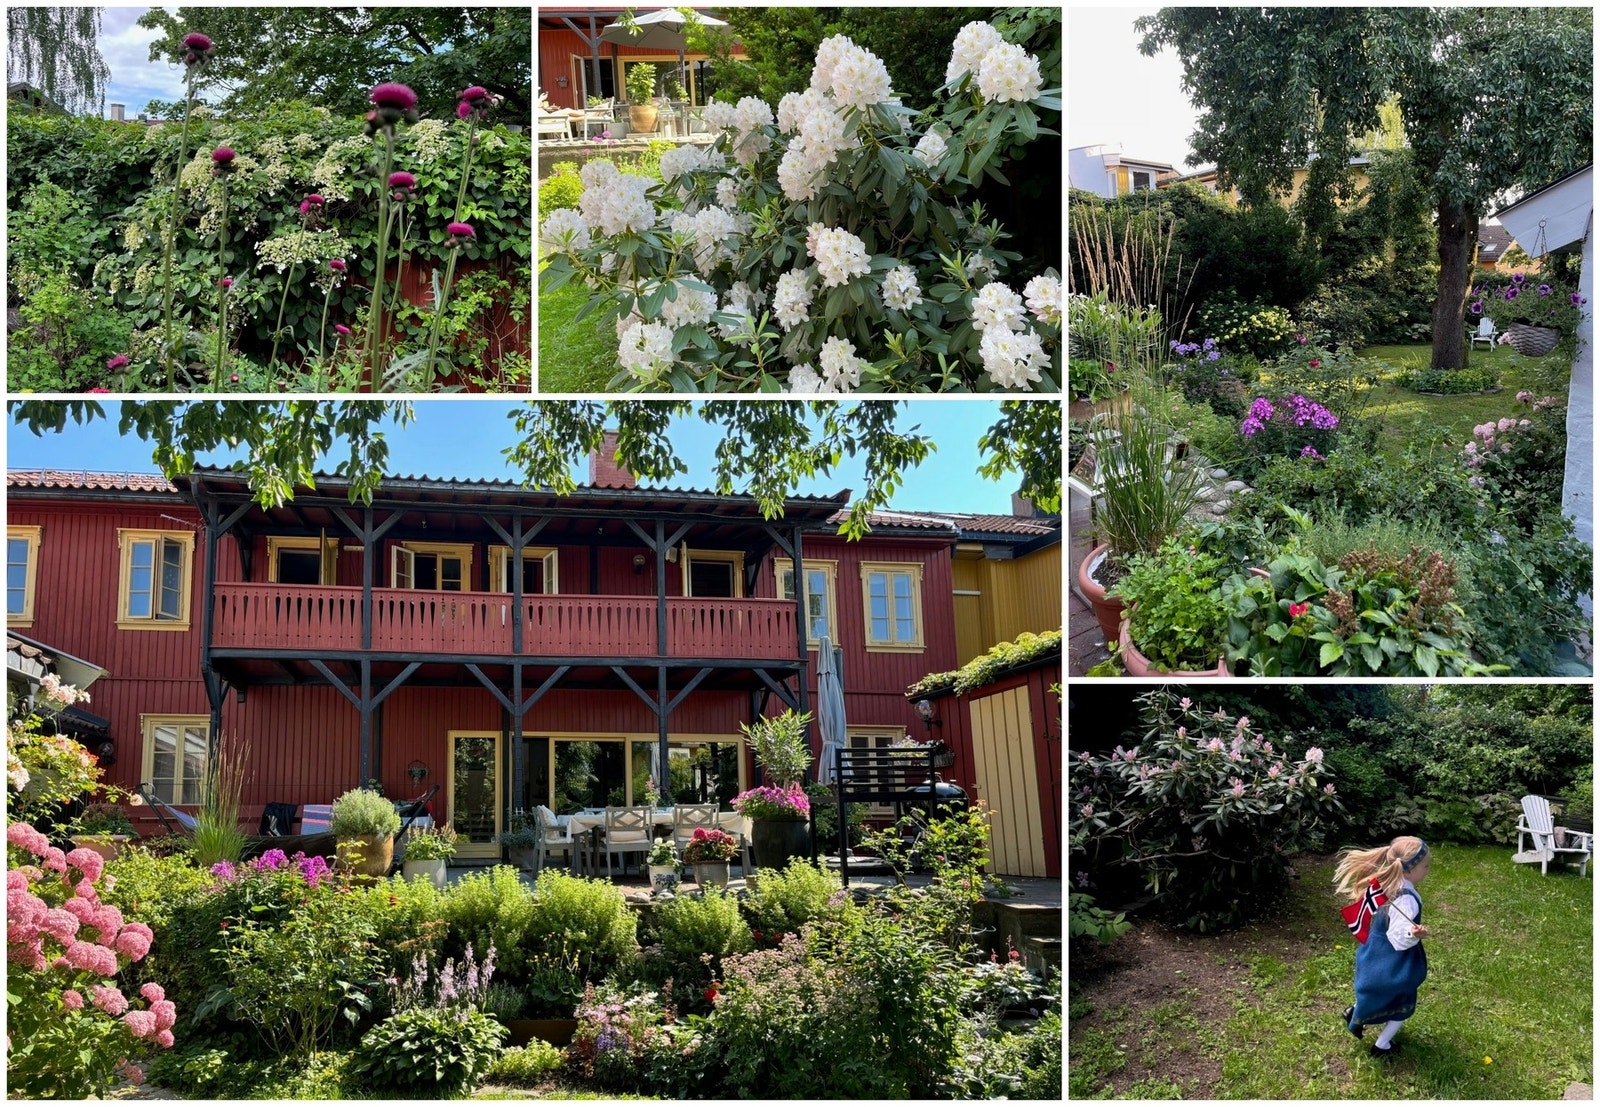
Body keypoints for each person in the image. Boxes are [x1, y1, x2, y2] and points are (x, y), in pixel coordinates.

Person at [1334, 836, 1431, 1058]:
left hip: (1374, 952)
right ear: (1411, 869)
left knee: (1374, 991)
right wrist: (1414, 934)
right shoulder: (1405, 898)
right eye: (1425, 866)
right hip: (1392, 962)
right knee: (1402, 1004)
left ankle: (1356, 1014)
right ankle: (1382, 1045)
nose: (1427, 871)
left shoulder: (1390, 883)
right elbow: (1398, 938)